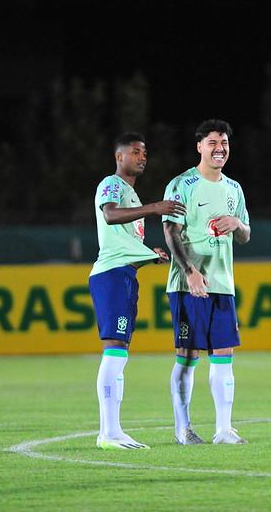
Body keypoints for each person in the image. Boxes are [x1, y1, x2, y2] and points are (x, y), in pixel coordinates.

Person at [89, 132, 186, 450]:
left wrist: (148, 255)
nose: (142, 157)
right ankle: (108, 432)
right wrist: (155, 207)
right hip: (112, 275)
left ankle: (112, 431)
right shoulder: (112, 184)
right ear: (119, 156)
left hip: (125, 275)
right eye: (135, 152)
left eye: (145, 153)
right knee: (114, 349)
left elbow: (124, 241)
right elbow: (110, 215)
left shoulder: (129, 193)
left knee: (119, 351)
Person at [163, 119, 251, 445]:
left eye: (224, 143)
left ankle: (224, 429)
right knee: (187, 356)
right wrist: (188, 270)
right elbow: (170, 231)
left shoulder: (234, 189)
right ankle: (182, 428)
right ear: (199, 146)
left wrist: (236, 223)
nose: (220, 148)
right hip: (189, 284)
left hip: (223, 284)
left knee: (223, 355)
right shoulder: (181, 185)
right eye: (213, 142)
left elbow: (246, 234)